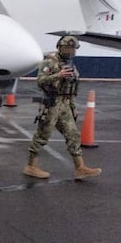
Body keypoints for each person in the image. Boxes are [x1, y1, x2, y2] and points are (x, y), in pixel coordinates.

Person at [22, 35, 102, 180]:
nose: (70, 51)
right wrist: (58, 75)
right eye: (67, 48)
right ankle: (30, 166)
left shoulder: (70, 64)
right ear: (60, 47)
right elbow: (40, 81)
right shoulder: (50, 62)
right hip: (51, 104)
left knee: (73, 135)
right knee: (42, 135)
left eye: (73, 49)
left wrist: (72, 106)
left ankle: (80, 168)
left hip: (65, 104)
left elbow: (71, 88)